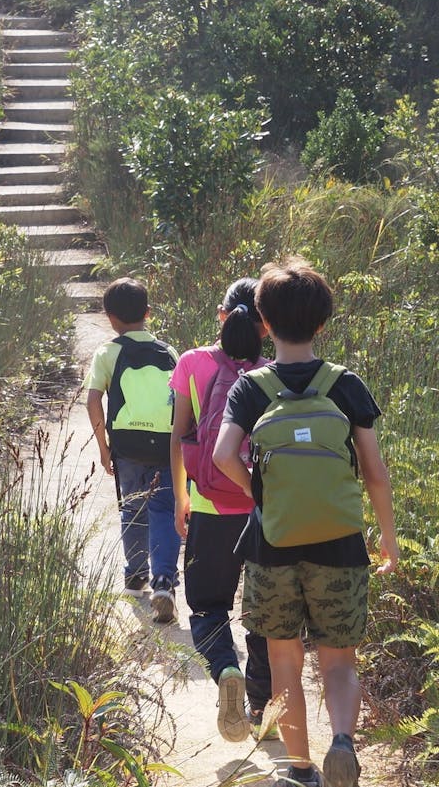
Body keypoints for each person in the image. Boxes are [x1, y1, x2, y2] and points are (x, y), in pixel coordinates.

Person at [213, 257, 399, 787]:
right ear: (322, 323)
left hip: (273, 543)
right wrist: (386, 540)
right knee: (340, 661)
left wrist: (262, 493)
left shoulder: (251, 389)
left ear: (264, 324)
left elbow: (225, 455)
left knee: (284, 660)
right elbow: (375, 473)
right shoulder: (346, 385)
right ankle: (342, 740)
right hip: (340, 543)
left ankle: (299, 769)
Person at [170, 278, 273, 744]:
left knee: (208, 605)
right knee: (264, 614)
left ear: (220, 315)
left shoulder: (192, 363)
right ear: (266, 327)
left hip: (209, 507)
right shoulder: (274, 373)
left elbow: (180, 436)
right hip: (264, 512)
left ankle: (225, 668)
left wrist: (181, 498)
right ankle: (262, 707)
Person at [84, 277, 181, 623]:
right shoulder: (169, 352)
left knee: (133, 509)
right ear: (148, 313)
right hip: (167, 446)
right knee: (165, 511)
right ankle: (165, 580)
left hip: (127, 446)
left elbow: (93, 400)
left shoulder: (107, 353)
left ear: (109, 317)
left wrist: (103, 446)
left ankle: (136, 575)